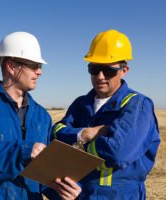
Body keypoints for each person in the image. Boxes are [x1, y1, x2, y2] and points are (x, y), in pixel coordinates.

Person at [0, 31, 81, 200]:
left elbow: (43, 176)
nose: (39, 72)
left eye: (41, 66)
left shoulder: (41, 116)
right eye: (34, 65)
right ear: (11, 66)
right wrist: (24, 151)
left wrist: (63, 191)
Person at [51, 29, 160, 199]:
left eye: (108, 70)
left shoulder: (137, 105)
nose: (100, 76)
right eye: (94, 68)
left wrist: (74, 145)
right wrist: (83, 134)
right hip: (80, 194)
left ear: (124, 70)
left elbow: (117, 152)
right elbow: (54, 134)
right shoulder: (81, 103)